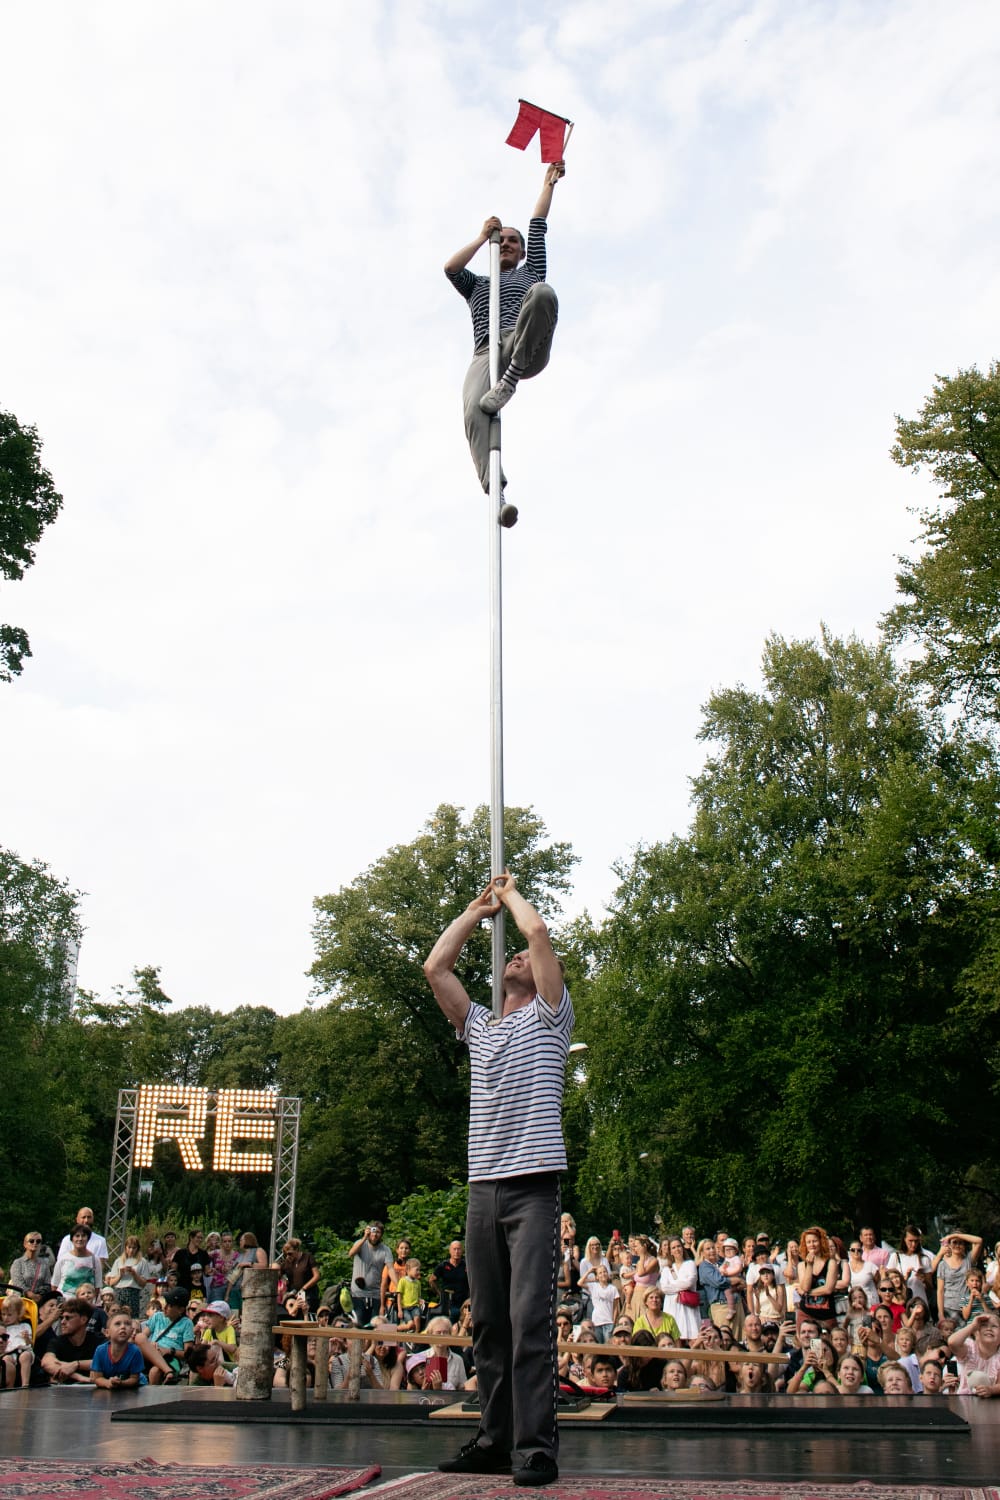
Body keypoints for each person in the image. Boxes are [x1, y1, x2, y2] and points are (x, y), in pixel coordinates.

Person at [424, 870, 573, 1489]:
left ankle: (535, 1448)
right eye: (507, 956)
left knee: (529, 1320)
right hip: (483, 1187)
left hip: (533, 1186)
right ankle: (493, 1438)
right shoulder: (480, 1027)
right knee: (487, 1320)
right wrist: (473, 911)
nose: (515, 956)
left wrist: (508, 895)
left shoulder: (551, 1018)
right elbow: (436, 967)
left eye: (524, 959)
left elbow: (536, 931)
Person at [444, 163, 565, 504]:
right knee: (473, 409)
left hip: (523, 342)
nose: (508, 244)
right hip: (486, 351)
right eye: (504, 240)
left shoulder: (531, 270)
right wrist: (484, 237)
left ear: (523, 251)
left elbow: (538, 224)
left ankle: (509, 381)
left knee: (543, 293)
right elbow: (451, 268)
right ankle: (495, 494)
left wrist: (549, 184)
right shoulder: (477, 285)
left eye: (514, 241)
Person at [40, 1299, 102, 1384]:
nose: (62, 1322)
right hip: (65, 1389)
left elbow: (107, 1361)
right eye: (62, 1318)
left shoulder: (98, 1340)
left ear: (83, 1319)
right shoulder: (57, 1341)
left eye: (68, 1318)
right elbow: (46, 1362)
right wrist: (78, 1377)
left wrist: (76, 1365)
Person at [348, 1222, 393, 1325]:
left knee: (375, 1325)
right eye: (373, 1231)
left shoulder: (385, 1250)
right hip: (358, 1293)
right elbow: (351, 1253)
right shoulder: (360, 1243)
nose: (375, 1234)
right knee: (359, 1324)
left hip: (376, 1294)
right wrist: (364, 1237)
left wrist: (399, 1285)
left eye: (378, 1232)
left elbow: (390, 1269)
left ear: (381, 1234)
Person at [90, 1310, 146, 1389]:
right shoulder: (100, 1351)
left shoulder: (135, 1351)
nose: (123, 1327)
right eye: (117, 1324)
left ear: (131, 1331)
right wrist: (108, 1383)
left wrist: (121, 1383)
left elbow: (134, 1379)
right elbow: (97, 1378)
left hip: (135, 1388)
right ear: (107, 1332)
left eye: (127, 1324)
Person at [429, 1240, 470, 1325]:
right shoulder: (443, 1265)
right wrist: (439, 1294)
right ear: (450, 1251)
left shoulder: (467, 1265)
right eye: (454, 1249)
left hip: (464, 1302)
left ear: (462, 1251)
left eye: (459, 1249)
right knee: (452, 1318)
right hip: (448, 1303)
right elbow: (432, 1280)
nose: (456, 1252)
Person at [8, 1232, 52, 1302]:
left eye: (38, 1241)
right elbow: (17, 1283)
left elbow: (47, 1283)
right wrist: (30, 1294)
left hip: (38, 1301)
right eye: (31, 1241)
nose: (35, 1243)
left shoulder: (44, 1264)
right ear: (25, 1244)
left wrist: (39, 1295)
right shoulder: (18, 1263)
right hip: (20, 1301)